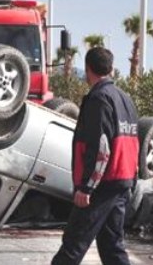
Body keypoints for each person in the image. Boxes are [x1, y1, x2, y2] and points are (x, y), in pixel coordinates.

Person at [52, 47, 139, 265]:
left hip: (102, 186)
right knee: (112, 247)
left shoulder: (99, 99)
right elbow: (134, 142)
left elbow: (101, 148)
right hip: (122, 182)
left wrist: (87, 187)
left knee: (73, 244)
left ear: (88, 69)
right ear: (110, 68)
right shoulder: (125, 99)